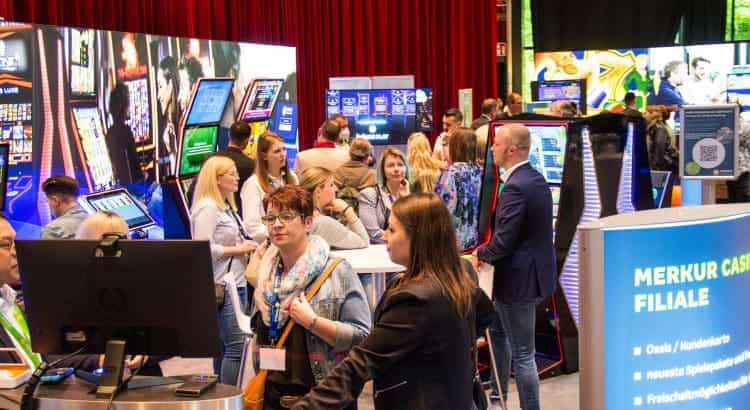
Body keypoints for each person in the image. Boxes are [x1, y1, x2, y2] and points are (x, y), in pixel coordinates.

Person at [293, 194, 492, 410]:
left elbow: (360, 365)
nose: (385, 237)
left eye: (392, 230)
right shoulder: (461, 274)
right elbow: (484, 316)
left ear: (418, 237)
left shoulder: (415, 300)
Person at [251, 185, 370, 409]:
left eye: (286, 217)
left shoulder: (336, 271)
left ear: (308, 223)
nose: (276, 224)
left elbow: (362, 337)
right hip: (272, 394)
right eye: (270, 218)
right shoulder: (266, 276)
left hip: (321, 396)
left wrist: (313, 322)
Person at [472, 123, 557, 410]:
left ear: (511, 149)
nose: (491, 148)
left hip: (517, 282)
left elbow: (503, 242)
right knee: (498, 337)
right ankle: (498, 400)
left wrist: (480, 254)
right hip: (524, 278)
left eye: (496, 143)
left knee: (523, 355)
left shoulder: (517, 187)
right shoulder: (534, 179)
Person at [191, 155, 257, 386]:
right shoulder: (208, 208)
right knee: (236, 345)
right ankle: (229, 398)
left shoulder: (225, 206)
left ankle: (220, 396)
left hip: (234, 281)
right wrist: (237, 249)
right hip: (222, 283)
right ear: (216, 179)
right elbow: (202, 248)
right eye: (232, 173)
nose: (237, 177)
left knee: (223, 345)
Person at [241, 131, 298, 243]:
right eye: (277, 151)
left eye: (284, 149)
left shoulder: (292, 178)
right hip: (268, 245)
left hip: (292, 241)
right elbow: (252, 227)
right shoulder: (253, 184)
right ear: (264, 156)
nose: (283, 155)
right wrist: (281, 233)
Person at [435, 127, 483, 251]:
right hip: (475, 241)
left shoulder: (450, 173)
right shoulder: (481, 171)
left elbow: (439, 209)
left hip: (451, 243)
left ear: (454, 147)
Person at [299, 167, 369, 250]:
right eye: (331, 185)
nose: (336, 189)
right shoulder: (323, 223)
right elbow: (364, 241)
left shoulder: (304, 215)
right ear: (318, 192)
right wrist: (347, 210)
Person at [358, 148, 410, 244]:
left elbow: (415, 229)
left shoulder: (412, 196)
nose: (396, 169)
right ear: (382, 171)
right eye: (390, 165)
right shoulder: (368, 195)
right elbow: (374, 234)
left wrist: (405, 200)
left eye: (400, 165)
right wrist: (404, 240)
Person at [105, 82, 141, 186]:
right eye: (128, 103)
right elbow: (135, 170)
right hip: (132, 189)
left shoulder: (109, 133)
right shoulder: (125, 132)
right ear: (123, 106)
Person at [221, 121, 256, 216]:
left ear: (229, 134)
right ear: (246, 141)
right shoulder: (251, 165)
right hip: (240, 215)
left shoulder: (212, 160)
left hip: (218, 212)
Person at [332, 138, 377, 211]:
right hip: (363, 218)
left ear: (350, 153)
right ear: (368, 156)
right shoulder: (372, 175)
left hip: (339, 216)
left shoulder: (337, 172)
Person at [644, 105, 678, 173]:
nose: (643, 114)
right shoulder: (652, 128)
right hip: (664, 168)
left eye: (646, 112)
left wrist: (654, 171)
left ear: (653, 115)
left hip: (664, 169)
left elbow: (659, 153)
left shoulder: (659, 129)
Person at [728, 105, 750, 203]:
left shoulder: (744, 125)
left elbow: (735, 139)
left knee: (744, 198)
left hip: (743, 168)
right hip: (730, 169)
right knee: (733, 198)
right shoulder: (730, 124)